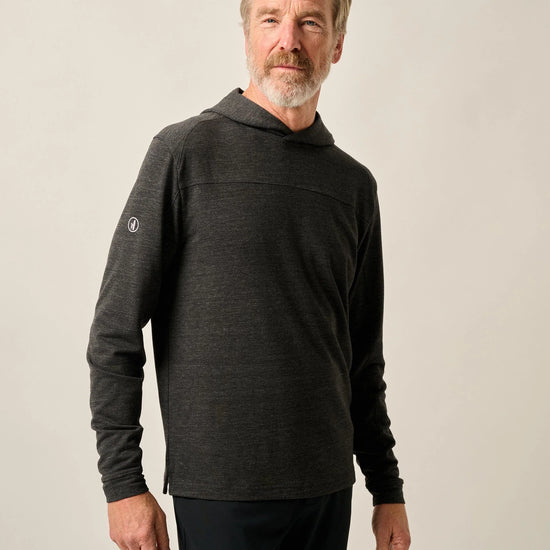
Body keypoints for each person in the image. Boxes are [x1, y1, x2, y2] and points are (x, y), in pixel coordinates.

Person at [86, 0, 411, 549]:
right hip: (220, 493)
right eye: (270, 18)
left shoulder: (353, 186)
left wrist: (387, 487)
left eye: (310, 22)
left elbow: (362, 356)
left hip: (328, 492)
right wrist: (122, 485)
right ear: (247, 36)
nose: (289, 40)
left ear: (336, 44)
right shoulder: (183, 154)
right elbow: (115, 330)